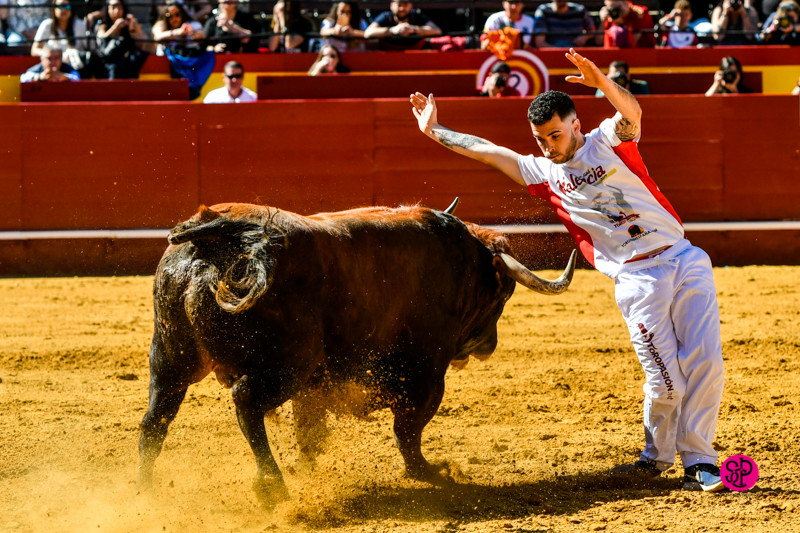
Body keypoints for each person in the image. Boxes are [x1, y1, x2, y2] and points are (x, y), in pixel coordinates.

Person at [409, 48, 727, 493]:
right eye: (540, 139)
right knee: (666, 378)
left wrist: (602, 83)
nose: (547, 147)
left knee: (707, 363)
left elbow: (632, 111)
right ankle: (656, 459)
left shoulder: (608, 139)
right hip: (637, 278)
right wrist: (435, 130)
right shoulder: (543, 172)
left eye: (554, 136)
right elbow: (487, 152)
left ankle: (699, 461)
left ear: (575, 124)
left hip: (683, 257)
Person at [93, 0, 148, 79]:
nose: (117, 11)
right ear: (108, 9)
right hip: (108, 61)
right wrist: (115, 27)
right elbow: (101, 40)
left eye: (120, 8)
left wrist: (134, 30)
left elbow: (140, 46)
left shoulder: (128, 24)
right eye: (113, 8)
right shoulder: (102, 25)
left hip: (126, 63)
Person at [31, 0, 89, 74]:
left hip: (76, 70)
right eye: (60, 6)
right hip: (51, 70)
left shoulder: (80, 25)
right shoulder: (47, 25)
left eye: (67, 6)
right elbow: (34, 50)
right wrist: (52, 56)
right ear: (54, 8)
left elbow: (91, 49)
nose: (63, 10)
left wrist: (74, 54)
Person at [364, 1, 441, 51]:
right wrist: (392, 30)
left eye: (405, 4)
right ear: (392, 5)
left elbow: (437, 30)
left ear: (411, 5)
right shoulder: (386, 16)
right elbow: (368, 32)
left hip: (415, 55)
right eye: (399, 4)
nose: (402, 8)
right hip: (389, 55)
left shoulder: (416, 16)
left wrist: (413, 29)